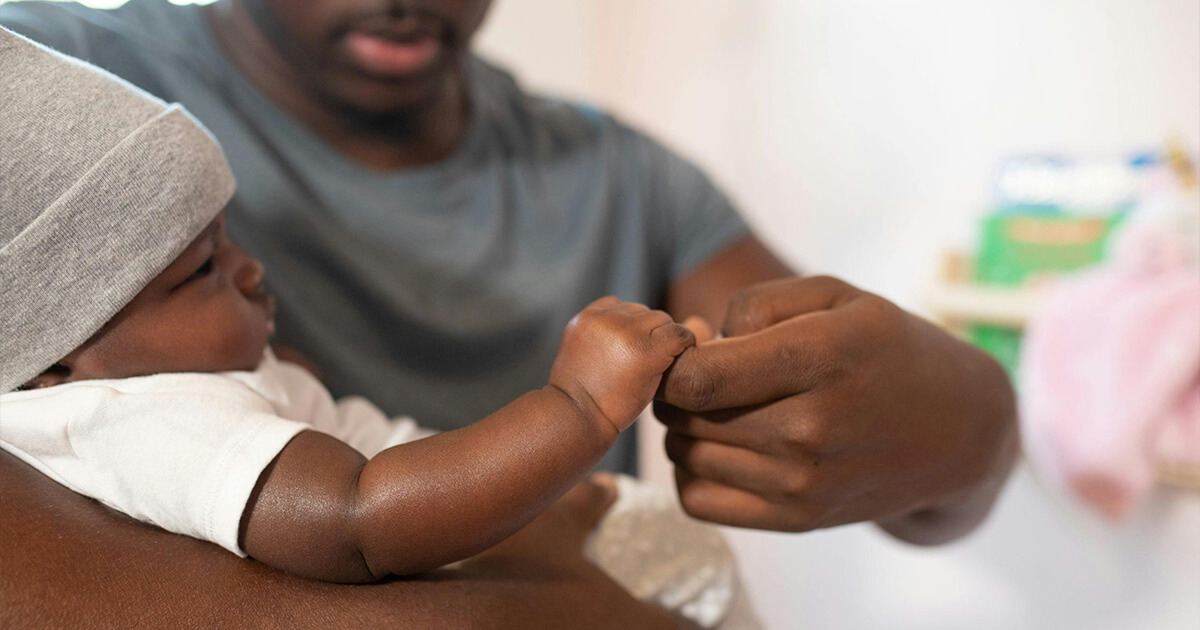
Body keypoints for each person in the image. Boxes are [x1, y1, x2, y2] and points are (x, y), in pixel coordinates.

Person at [1, 0, 1016, 582]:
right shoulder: (65, 102)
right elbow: (352, 519)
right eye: (200, 267)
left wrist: (972, 429)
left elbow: (890, 473)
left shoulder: (629, 178)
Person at [0, 27, 755, 628]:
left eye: (226, 238)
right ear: (53, 362)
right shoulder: (146, 420)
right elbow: (360, 518)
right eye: (201, 271)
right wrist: (579, 410)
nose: (252, 270)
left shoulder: (135, 385)